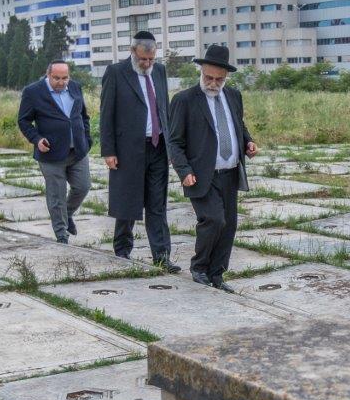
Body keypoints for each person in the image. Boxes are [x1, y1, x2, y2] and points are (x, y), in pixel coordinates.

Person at [166, 43, 256, 292]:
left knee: (229, 226)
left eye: (219, 78)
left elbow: (238, 125)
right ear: (201, 71)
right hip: (201, 175)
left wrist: (248, 143)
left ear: (226, 77)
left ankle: (217, 274)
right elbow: (174, 141)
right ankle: (199, 266)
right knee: (214, 220)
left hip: (230, 173)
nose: (213, 82)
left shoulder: (234, 96)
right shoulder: (185, 100)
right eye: (209, 77)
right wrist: (184, 171)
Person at [99, 31, 178, 271]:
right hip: (127, 149)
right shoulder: (116, 73)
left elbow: (164, 109)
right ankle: (122, 250)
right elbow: (106, 115)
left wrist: (172, 147)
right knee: (127, 201)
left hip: (158, 146)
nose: (147, 64)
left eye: (151, 59)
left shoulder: (160, 72)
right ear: (133, 52)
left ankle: (162, 256)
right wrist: (108, 150)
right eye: (143, 59)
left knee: (157, 203)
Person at [16, 60, 91, 243]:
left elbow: (83, 115)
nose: (61, 82)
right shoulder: (33, 92)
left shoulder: (75, 87)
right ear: (48, 75)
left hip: (77, 151)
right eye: (56, 78)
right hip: (51, 153)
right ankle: (62, 234)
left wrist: (87, 138)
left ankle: (67, 215)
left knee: (83, 186)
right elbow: (24, 121)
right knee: (56, 195)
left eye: (65, 78)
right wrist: (36, 139)